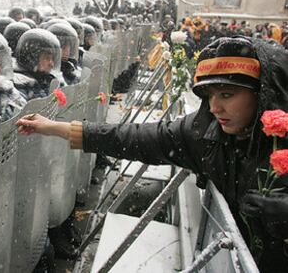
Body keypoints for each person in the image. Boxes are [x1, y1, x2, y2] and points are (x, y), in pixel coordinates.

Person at [16, 36, 288, 272]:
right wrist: (55, 127)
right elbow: (133, 138)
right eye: (208, 96)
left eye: (227, 94)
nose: (215, 107)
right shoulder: (204, 132)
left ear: (262, 93)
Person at [11, 28, 61, 100]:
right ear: (32, 58)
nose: (52, 64)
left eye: (52, 59)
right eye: (47, 58)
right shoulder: (20, 87)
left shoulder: (45, 80)